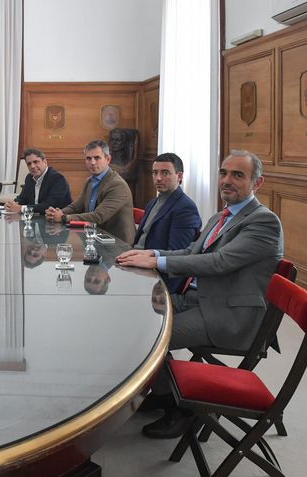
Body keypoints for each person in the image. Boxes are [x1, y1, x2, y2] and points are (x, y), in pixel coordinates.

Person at [116, 150, 283, 438]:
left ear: (258, 183)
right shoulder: (222, 215)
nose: (227, 180)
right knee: (136, 319)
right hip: (201, 298)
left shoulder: (264, 222)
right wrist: (151, 252)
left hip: (230, 315)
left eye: (237, 175)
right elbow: (192, 253)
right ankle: (164, 393)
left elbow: (219, 263)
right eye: (223, 173)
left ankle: (183, 411)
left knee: (151, 337)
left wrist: (157, 262)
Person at [133, 153, 202, 292]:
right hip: (136, 264)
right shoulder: (153, 202)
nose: (158, 178)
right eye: (155, 173)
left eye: (165, 173)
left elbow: (177, 256)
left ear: (180, 176)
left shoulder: (185, 208)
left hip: (154, 276)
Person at [46, 140, 135, 244]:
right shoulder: (89, 181)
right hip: (95, 239)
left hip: (117, 245)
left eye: (97, 158)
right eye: (88, 158)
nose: (92, 163)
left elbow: (98, 217)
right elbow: (76, 207)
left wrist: (63, 217)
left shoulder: (117, 185)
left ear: (108, 159)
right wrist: (57, 213)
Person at [4, 147, 72, 215]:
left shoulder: (58, 179)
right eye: (29, 164)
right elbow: (22, 198)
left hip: (57, 220)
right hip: (36, 218)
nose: (32, 166)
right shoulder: (29, 178)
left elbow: (50, 205)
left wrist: (21, 208)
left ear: (45, 162)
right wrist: (11, 204)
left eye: (36, 162)